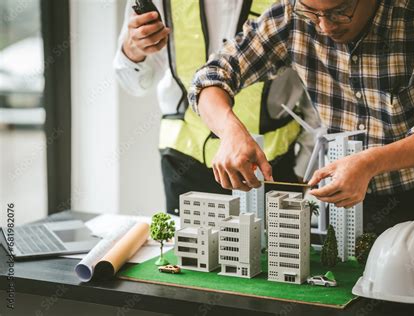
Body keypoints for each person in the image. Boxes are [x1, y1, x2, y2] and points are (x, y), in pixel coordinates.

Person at [188, 0, 414, 260]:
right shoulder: (291, 15)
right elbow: (211, 76)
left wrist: (372, 162)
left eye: (339, 12)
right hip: (349, 211)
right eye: (313, 13)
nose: (324, 26)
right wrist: (230, 131)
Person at [114, 0, 318, 214]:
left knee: (275, 245)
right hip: (186, 166)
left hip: (270, 168)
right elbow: (135, 83)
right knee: (190, 245)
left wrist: (306, 167)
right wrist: (134, 50)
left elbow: (317, 83)